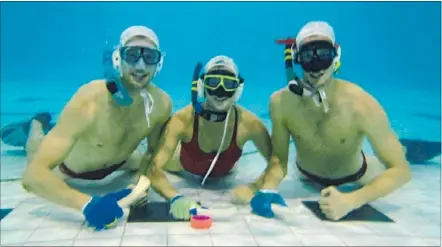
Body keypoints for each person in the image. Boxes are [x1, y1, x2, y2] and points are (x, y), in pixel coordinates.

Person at [246, 21, 412, 220]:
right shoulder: (281, 102)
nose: (316, 66)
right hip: (306, 176)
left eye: (323, 55)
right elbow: (278, 160)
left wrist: (352, 200)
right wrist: (267, 189)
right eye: (308, 56)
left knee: (396, 156)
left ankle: (402, 148)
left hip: (356, 178)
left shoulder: (361, 104)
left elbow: (402, 171)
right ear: (296, 60)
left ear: (336, 56)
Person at [21, 25, 172, 230]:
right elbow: (31, 177)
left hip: (121, 162)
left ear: (159, 63)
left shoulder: (161, 104)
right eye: (132, 55)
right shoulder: (89, 99)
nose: (141, 66)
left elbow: (152, 153)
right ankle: (36, 123)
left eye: (149, 57)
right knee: (35, 149)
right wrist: (86, 204)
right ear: (118, 59)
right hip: (69, 170)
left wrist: (138, 186)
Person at [145, 55, 272, 220]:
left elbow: (277, 164)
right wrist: (175, 197)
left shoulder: (250, 123)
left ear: (238, 89)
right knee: (142, 160)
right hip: (181, 166)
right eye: (213, 82)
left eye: (228, 84)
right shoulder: (183, 119)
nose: (220, 90)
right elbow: (153, 169)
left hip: (227, 170)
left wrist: (254, 187)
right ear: (201, 86)